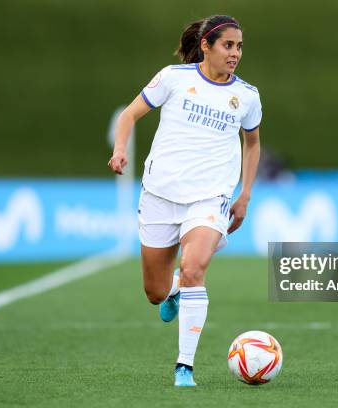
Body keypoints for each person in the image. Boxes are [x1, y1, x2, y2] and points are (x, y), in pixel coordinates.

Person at [108, 15, 261, 387]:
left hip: (210, 197)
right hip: (160, 194)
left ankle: (184, 366)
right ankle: (173, 290)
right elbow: (129, 114)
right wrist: (119, 149)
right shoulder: (174, 78)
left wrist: (245, 195)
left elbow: (252, 143)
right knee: (154, 292)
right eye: (228, 45)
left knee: (194, 267)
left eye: (240, 46)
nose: (235, 53)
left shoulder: (248, 96)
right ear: (206, 46)